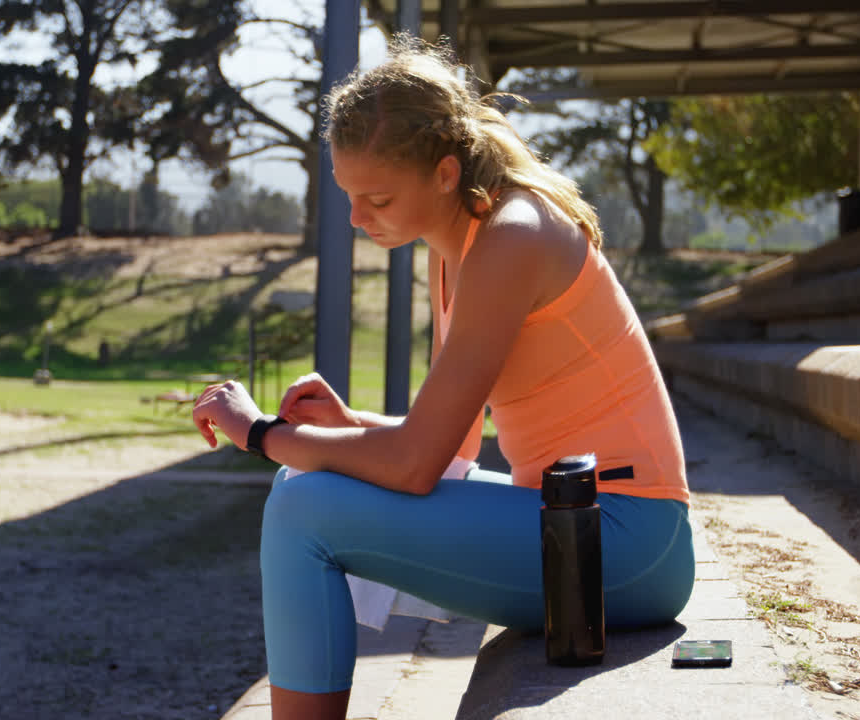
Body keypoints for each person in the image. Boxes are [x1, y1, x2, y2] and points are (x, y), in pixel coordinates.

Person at [192, 35, 693, 720]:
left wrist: (260, 433)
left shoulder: (512, 236)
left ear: (447, 172)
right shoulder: (456, 241)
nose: (357, 218)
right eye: (348, 196)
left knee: (300, 507)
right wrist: (350, 426)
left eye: (377, 198)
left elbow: (418, 466)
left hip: (627, 543)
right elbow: (451, 447)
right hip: (577, 529)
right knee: (301, 483)